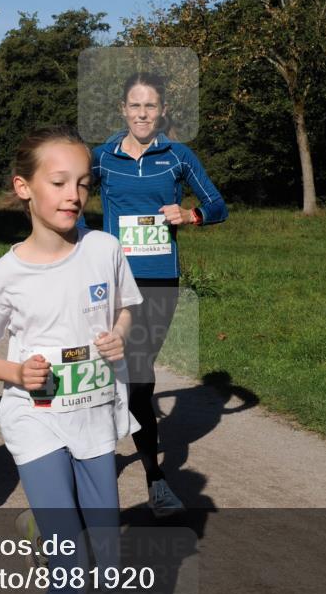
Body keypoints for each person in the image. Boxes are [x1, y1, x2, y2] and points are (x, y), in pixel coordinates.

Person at [0, 126, 142, 594]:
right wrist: (16, 370)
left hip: (95, 415)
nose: (73, 195)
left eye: (82, 183)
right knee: (70, 576)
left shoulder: (104, 248)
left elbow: (125, 308)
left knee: (104, 560)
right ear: (24, 188)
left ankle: (40, 524)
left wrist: (119, 334)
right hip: (35, 418)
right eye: (58, 182)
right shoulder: (3, 275)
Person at [92, 71, 228, 516]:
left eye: (151, 106)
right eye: (135, 105)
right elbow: (66, 194)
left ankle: (155, 479)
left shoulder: (177, 156)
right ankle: (93, 462)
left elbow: (217, 205)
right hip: (107, 279)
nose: (143, 113)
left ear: (163, 110)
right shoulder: (102, 157)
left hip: (157, 281)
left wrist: (189, 216)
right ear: (123, 110)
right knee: (103, 368)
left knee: (137, 371)